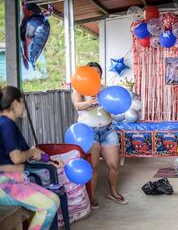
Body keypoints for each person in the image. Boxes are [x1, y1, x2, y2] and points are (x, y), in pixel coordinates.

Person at [0, 85, 64, 230]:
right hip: (4, 184)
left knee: (54, 198)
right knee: (48, 207)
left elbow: (30, 153)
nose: (24, 107)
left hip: (11, 180)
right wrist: (31, 152)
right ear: (15, 103)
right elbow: (17, 158)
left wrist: (50, 160)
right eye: (23, 102)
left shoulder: (6, 123)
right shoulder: (6, 125)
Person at [71, 62, 127, 209]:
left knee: (113, 165)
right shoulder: (79, 89)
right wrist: (90, 102)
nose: (96, 76)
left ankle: (113, 192)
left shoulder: (106, 90)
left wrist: (114, 108)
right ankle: (92, 197)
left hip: (108, 131)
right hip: (89, 132)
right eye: (92, 73)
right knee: (94, 166)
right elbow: (77, 105)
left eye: (98, 73)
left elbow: (114, 112)